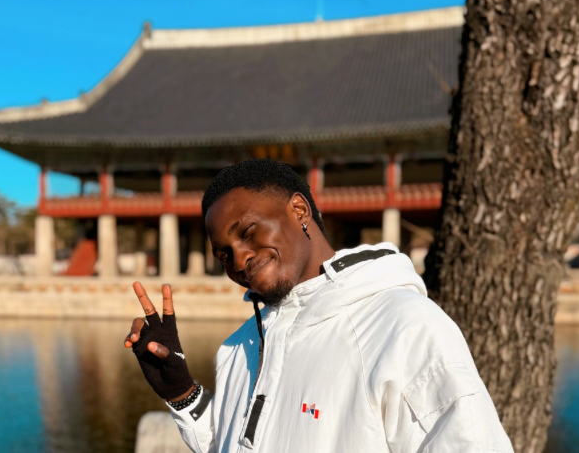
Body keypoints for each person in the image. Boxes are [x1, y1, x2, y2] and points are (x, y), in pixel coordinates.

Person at [125, 159, 514, 453]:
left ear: (299, 210)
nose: (239, 259)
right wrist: (182, 393)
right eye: (223, 254)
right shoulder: (237, 348)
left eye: (248, 232)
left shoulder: (406, 328)